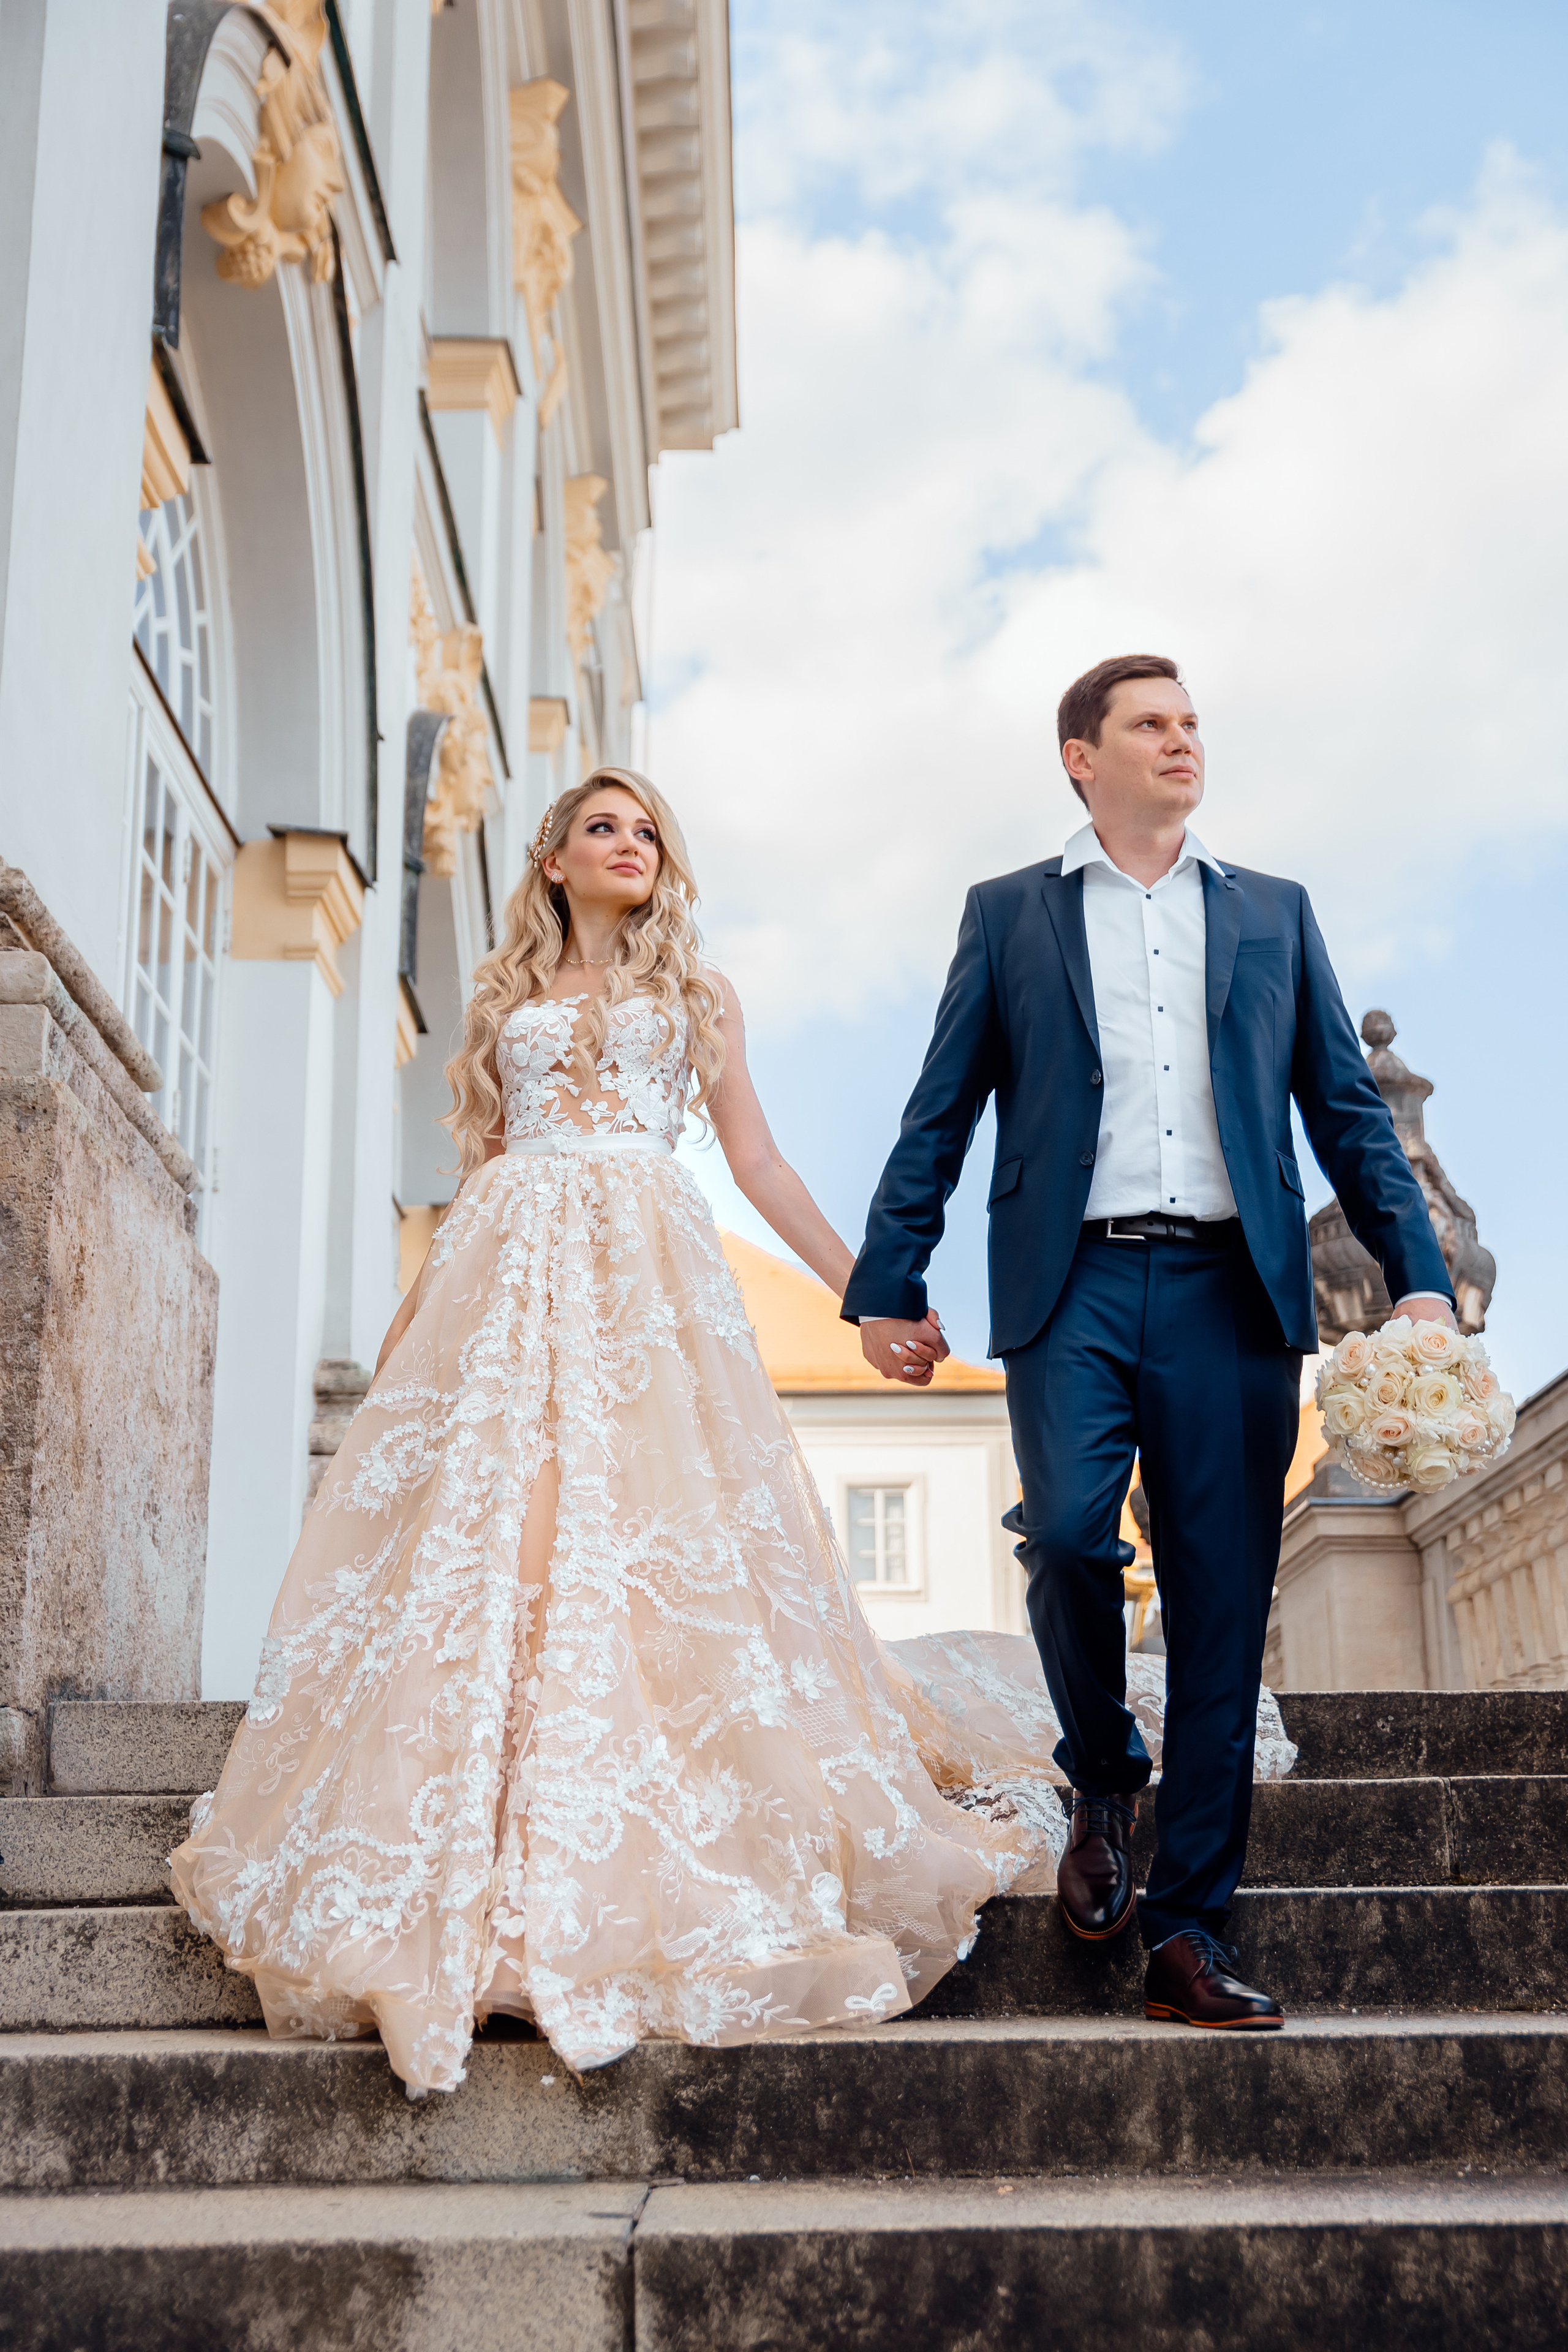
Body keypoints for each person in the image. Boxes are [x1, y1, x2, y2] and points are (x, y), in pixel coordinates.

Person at [173, 768, 1091, 2097]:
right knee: (508, 1541)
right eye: (601, 828)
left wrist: (867, 1297)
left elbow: (760, 1163)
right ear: (551, 859)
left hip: (648, 1281)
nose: (629, 845)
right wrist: (412, 1325)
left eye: (647, 829)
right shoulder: (502, 1007)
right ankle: (484, 1838)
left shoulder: (698, 996)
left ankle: (619, 1831)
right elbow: (479, 1170)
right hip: (508, 1275)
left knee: (658, 1537)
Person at [843, 655, 1457, 2029]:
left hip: (1231, 1296)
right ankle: (1100, 1773)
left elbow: (1344, 1116)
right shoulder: (1008, 916)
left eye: (1189, 725)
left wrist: (1414, 1275)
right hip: (1069, 1284)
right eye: (1149, 725)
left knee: (1223, 1607)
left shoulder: (1270, 914)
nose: (1180, 743)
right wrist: (889, 1278)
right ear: (1082, 756)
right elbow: (937, 1108)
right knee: (1063, 1536)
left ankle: (1186, 1933)